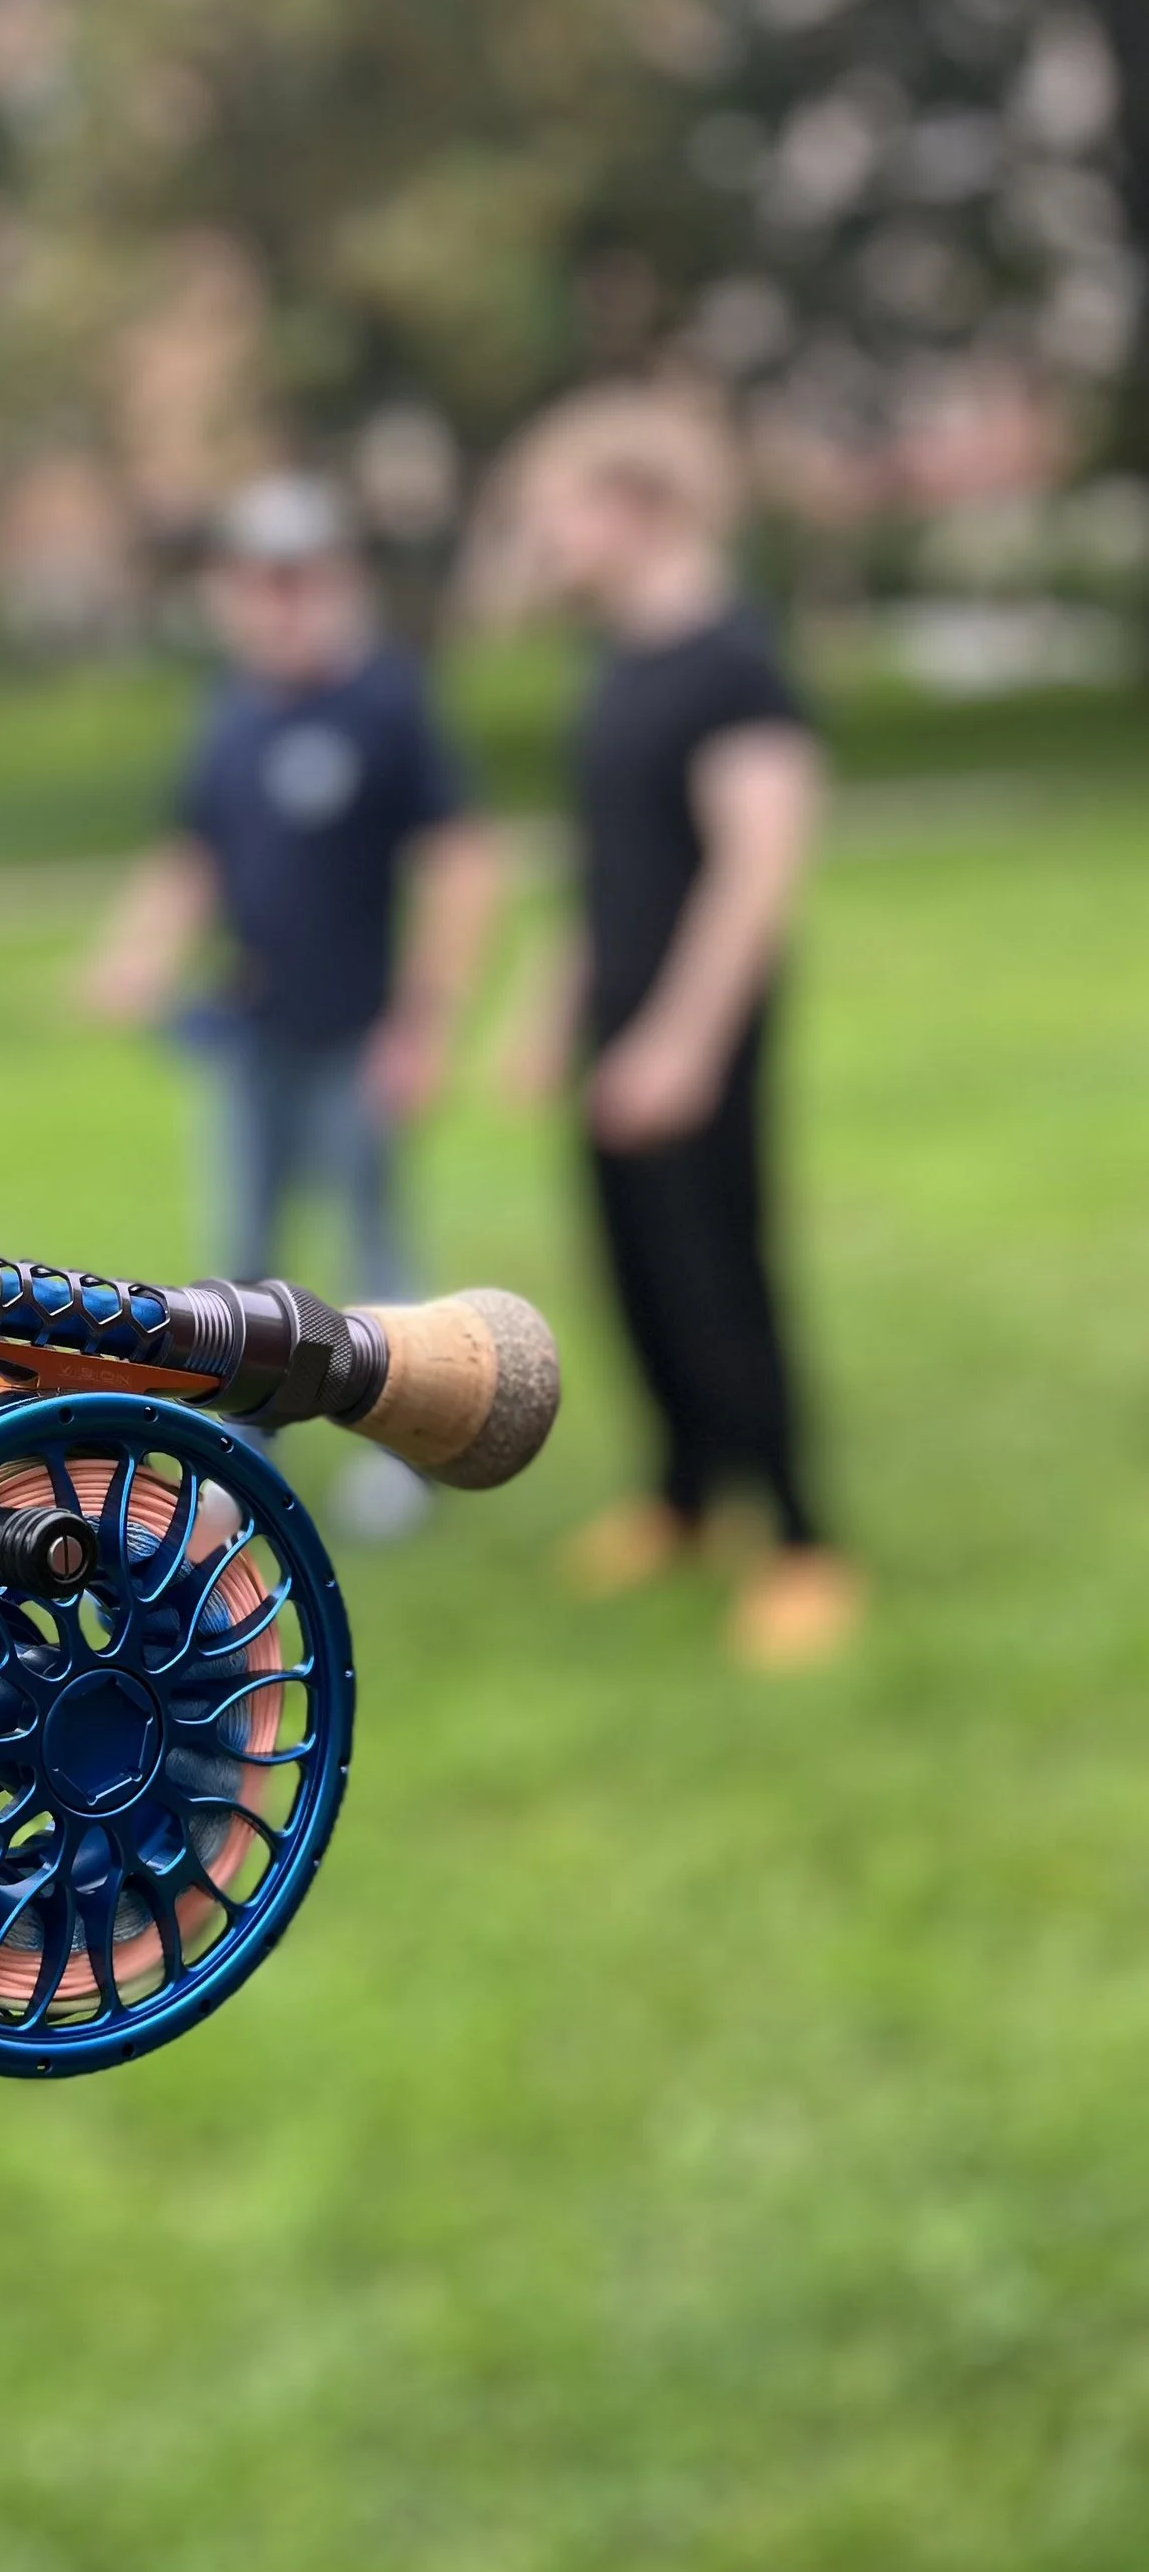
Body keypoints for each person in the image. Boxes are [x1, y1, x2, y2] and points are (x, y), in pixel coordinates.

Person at [498, 385, 864, 1669]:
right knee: (633, 1273)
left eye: (560, 514)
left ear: (637, 505)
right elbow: (608, 869)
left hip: (693, 1044)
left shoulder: (733, 664)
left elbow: (758, 864)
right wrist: (553, 1012)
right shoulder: (618, 666)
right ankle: (681, 1501)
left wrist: (683, 1040)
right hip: (615, 1036)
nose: (548, 541)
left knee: (722, 1279)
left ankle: (805, 1543)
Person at [84, 472, 502, 1538]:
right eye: (257, 582)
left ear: (335, 583)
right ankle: (238, 1451)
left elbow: (461, 865)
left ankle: (404, 1450)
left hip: (356, 1035)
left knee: (376, 1262)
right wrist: (140, 952)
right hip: (251, 1036)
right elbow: (196, 855)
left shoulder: (384, 702)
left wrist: (423, 1025)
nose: (277, 604)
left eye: (297, 580)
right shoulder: (228, 713)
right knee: (239, 1265)